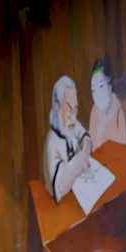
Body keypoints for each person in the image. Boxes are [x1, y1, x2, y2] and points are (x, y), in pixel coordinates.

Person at [43, 75, 93, 203]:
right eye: (69, 109)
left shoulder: (72, 123)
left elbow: (86, 138)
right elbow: (60, 188)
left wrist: (84, 153)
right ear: (58, 109)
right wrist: (78, 164)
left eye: (76, 109)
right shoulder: (52, 143)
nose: (73, 117)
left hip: (82, 191)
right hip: (64, 203)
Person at [89, 58, 126, 151]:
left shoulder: (119, 113)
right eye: (93, 90)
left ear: (109, 86)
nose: (97, 94)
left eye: (101, 86)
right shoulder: (94, 110)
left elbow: (123, 149)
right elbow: (92, 142)